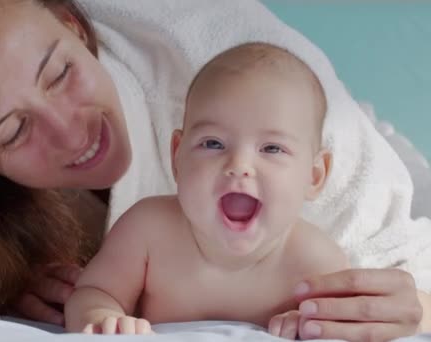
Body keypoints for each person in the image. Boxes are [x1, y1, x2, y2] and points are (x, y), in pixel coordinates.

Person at [0, 0, 428, 340]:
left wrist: (416, 300)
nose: (73, 129)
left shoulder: (234, 90)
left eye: (60, 72)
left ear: (72, 23)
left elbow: (397, 248)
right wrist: (8, 278)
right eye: (13, 131)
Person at [65, 42, 349, 338]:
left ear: (314, 176)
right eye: (213, 143)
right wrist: (101, 315)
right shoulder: (147, 231)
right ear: (177, 156)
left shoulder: (317, 262)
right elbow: (93, 291)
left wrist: (308, 322)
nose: (239, 165)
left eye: (272, 148)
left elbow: (342, 323)